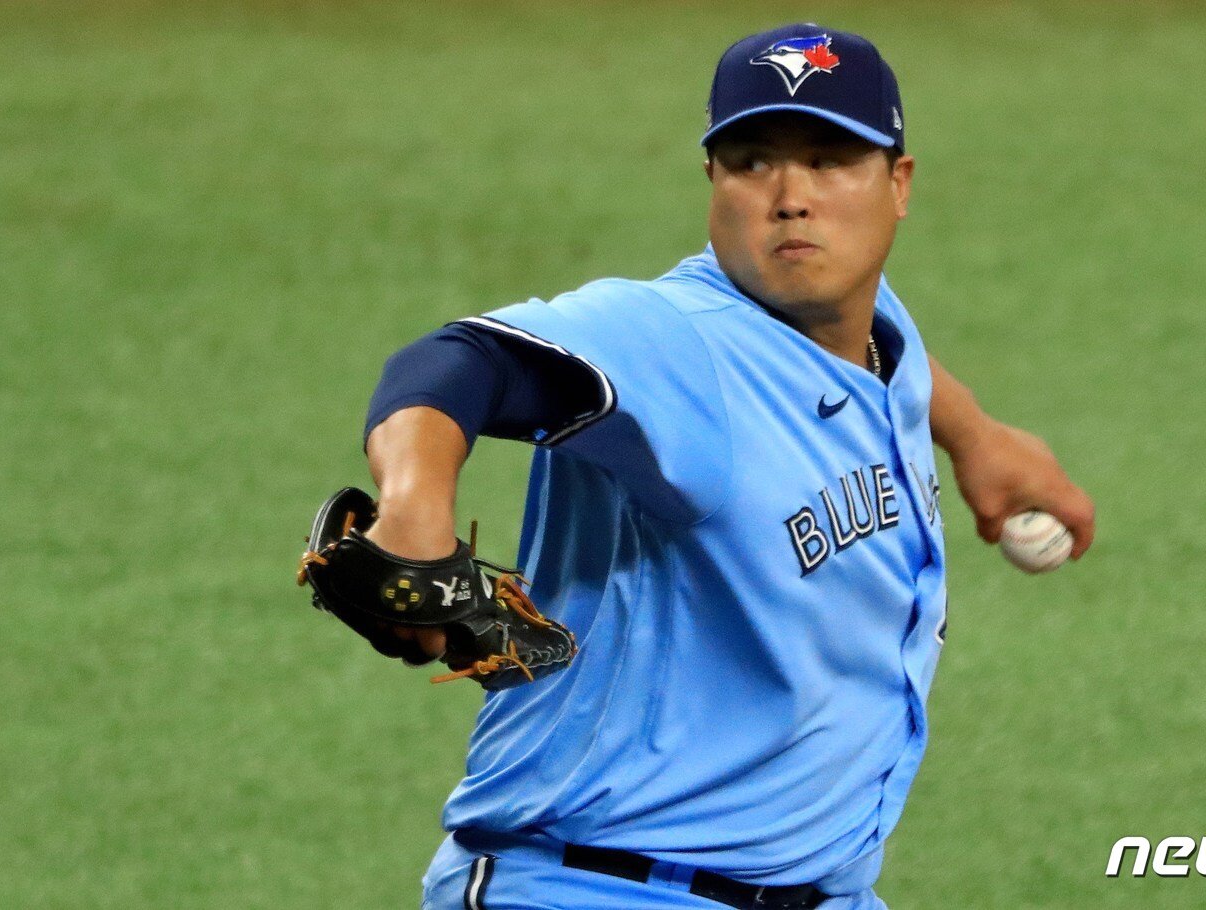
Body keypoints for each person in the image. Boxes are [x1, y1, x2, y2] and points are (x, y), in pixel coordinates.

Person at [358, 24, 1094, 910]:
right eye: (752, 161)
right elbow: (458, 363)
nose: (791, 198)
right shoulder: (677, 344)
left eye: (830, 160)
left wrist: (974, 434)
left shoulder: (860, 321)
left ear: (897, 185)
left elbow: (876, 354)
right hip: (592, 890)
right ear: (714, 181)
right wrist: (413, 503)